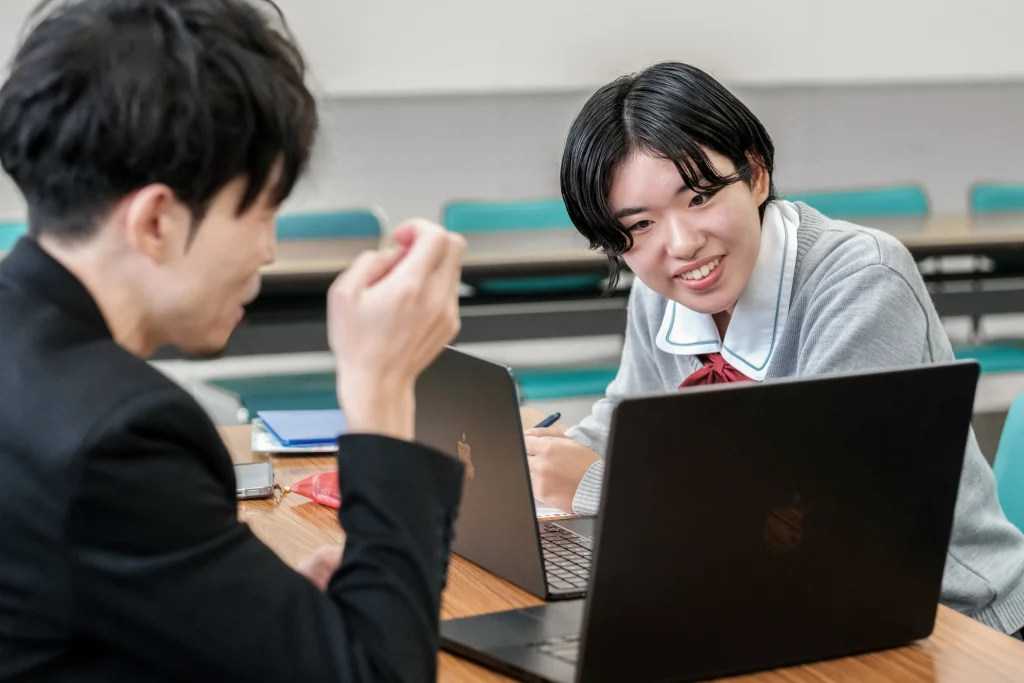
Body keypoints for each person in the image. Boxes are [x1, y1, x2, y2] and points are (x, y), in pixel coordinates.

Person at [0, 0, 467, 680]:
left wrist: (258, 613)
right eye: (261, 212)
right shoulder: (120, 437)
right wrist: (383, 391)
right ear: (157, 220)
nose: (269, 252)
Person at [524, 61, 1024, 636]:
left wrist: (592, 484)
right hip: (772, 600)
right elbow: (627, 420)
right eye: (638, 226)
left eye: (700, 196)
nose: (682, 245)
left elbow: (802, 519)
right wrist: (535, 462)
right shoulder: (663, 291)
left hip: (942, 621)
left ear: (756, 175)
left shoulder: (862, 280)